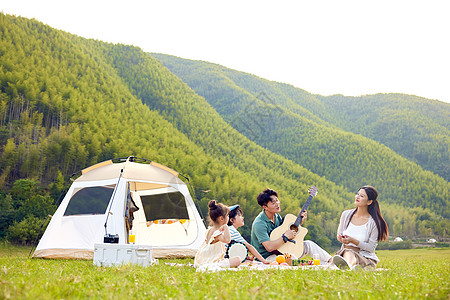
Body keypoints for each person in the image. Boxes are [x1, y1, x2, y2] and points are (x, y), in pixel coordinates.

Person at [251, 188, 332, 263]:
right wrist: (285, 237)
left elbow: (284, 232)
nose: (277, 204)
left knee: (309, 244)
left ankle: (332, 261)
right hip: (266, 257)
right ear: (265, 207)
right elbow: (269, 247)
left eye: (277, 200)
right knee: (292, 258)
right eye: (273, 203)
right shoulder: (259, 223)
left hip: (282, 250)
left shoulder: (276, 216)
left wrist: (299, 223)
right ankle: (309, 264)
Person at [333, 185, 389, 270]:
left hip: (364, 258)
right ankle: (350, 267)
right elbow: (339, 234)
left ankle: (348, 267)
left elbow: (371, 248)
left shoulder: (373, 222)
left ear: (369, 202)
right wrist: (341, 238)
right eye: (357, 194)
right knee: (347, 252)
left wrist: (353, 241)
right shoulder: (346, 214)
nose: (357, 197)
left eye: (362, 196)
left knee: (349, 252)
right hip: (344, 253)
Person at [194, 200, 241, 270]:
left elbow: (212, 246)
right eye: (227, 215)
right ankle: (218, 265)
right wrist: (226, 227)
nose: (228, 217)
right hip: (211, 261)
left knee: (231, 258)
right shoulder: (217, 233)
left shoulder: (210, 230)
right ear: (222, 218)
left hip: (204, 259)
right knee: (238, 259)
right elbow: (228, 240)